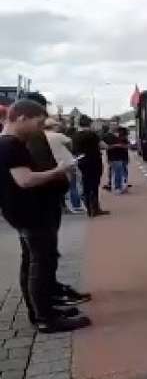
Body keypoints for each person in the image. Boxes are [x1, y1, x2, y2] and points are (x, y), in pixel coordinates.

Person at [0, 99, 91, 332]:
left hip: (20, 212)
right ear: (21, 118)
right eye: (38, 123)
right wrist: (58, 171)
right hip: (29, 213)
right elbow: (25, 179)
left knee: (32, 262)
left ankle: (41, 311)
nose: (40, 129)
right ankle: (45, 318)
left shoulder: (8, 143)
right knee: (40, 263)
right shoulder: (12, 145)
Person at [21, 93, 92, 310]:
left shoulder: (34, 136)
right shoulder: (26, 139)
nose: (44, 118)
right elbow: (34, 172)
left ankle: (49, 295)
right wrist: (58, 174)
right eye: (41, 114)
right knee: (37, 258)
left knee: (44, 255)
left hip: (45, 201)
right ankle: (43, 309)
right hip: (37, 203)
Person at [43, 118, 82, 214]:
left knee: (54, 186)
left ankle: (59, 206)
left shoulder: (40, 136)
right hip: (66, 163)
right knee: (72, 185)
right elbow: (70, 145)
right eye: (57, 126)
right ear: (53, 126)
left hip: (51, 164)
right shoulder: (59, 136)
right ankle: (76, 205)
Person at [72, 115, 109, 217]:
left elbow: (73, 150)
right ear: (89, 123)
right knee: (94, 185)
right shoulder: (92, 134)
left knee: (85, 184)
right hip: (94, 161)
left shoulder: (75, 136)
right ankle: (95, 208)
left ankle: (88, 208)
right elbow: (103, 146)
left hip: (81, 162)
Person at [106, 127, 129, 193]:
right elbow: (107, 147)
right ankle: (115, 185)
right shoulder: (108, 137)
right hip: (113, 157)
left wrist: (122, 146)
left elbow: (126, 146)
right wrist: (116, 146)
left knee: (122, 171)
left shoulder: (123, 137)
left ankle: (123, 185)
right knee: (115, 171)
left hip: (122, 156)